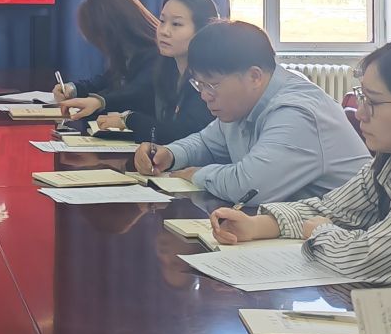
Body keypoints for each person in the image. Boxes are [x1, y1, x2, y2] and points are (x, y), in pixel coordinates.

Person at [206, 35, 391, 290]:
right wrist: (256, 225)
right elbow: (330, 209)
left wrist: (321, 232)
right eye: (362, 98)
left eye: (373, 103)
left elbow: (367, 259)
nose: (361, 114)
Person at [132, 20, 366, 205]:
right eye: (199, 84)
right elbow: (206, 143)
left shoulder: (297, 112)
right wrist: (170, 154)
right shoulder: (242, 103)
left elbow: (249, 188)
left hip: (345, 238)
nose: (204, 95)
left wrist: (195, 174)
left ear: (254, 76)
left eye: (211, 85)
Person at [98, 0, 219, 145]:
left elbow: (182, 134)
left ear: (202, 30)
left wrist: (129, 119)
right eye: (162, 21)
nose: (164, 31)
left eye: (176, 24)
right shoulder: (165, 70)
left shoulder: (209, 81)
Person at [56, 0, 161, 123]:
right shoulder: (126, 52)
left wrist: (100, 101)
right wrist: (73, 89)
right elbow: (107, 80)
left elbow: (136, 92)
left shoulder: (157, 53)